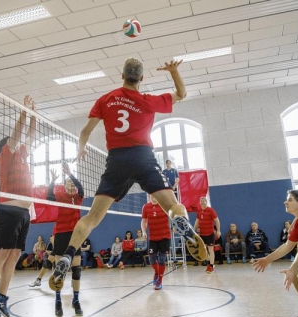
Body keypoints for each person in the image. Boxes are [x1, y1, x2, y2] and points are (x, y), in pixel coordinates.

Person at [52, 58, 208, 285]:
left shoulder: (106, 99)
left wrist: (82, 149)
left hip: (116, 161)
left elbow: (85, 130)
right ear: (141, 78)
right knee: (173, 205)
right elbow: (181, 93)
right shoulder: (147, 100)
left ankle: (68, 254)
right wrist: (173, 71)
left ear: (122, 76)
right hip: (144, 157)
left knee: (92, 218)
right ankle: (180, 222)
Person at [0, 95, 37, 317]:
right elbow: (17, 135)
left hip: (24, 213)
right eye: (13, 145)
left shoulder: (22, 157)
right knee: (2, 252)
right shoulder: (5, 156)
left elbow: (30, 137)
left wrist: (34, 115)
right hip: (7, 210)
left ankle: (2, 296)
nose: (18, 146)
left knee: (14, 254)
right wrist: (23, 112)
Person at [45, 163, 85, 317]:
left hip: (75, 236)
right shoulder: (60, 195)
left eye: (72, 183)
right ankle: (57, 301)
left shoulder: (78, 198)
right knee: (59, 271)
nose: (71, 184)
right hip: (61, 235)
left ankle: (76, 300)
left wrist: (70, 174)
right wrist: (52, 181)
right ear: (64, 186)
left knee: (76, 269)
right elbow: (49, 197)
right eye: (68, 182)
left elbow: (81, 188)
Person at [141, 195, 171, 290]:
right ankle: (157, 272)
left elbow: (173, 215)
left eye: (155, 195)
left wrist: (174, 226)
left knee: (162, 259)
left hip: (165, 236)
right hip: (153, 237)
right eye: (151, 195)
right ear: (149, 196)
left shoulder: (163, 205)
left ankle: (160, 281)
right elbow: (144, 221)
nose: (153, 196)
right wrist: (144, 231)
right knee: (152, 259)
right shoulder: (146, 207)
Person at [193, 197, 221, 273]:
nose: (202, 202)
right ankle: (210, 262)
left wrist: (218, 231)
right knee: (203, 250)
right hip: (202, 234)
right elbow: (197, 221)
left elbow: (217, 220)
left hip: (210, 234)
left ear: (206, 202)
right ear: (199, 202)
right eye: (201, 201)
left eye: (204, 201)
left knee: (210, 250)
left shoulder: (211, 210)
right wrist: (193, 230)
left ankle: (211, 266)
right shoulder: (199, 211)